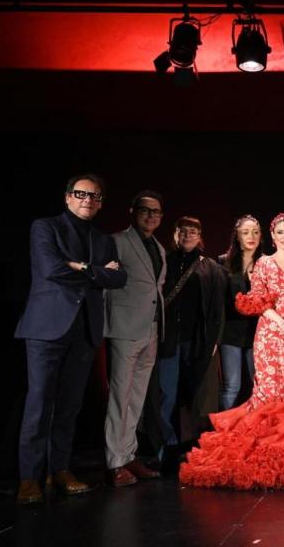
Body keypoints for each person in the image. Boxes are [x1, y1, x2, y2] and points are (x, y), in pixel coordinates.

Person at [179, 213, 284, 490]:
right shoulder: (263, 263)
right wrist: (278, 320)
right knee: (270, 392)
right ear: (273, 236)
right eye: (280, 232)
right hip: (270, 334)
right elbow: (258, 297)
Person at [14, 173, 126, 504]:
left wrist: (80, 267)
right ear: (67, 197)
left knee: (69, 406)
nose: (87, 200)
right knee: (39, 403)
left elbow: (118, 278)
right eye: (80, 194)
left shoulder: (104, 239)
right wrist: (96, 271)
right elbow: (51, 269)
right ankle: (29, 477)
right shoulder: (45, 227)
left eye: (94, 196)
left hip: (85, 331)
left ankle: (59, 470)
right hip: (46, 329)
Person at [103, 190, 166, 487]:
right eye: (145, 210)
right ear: (133, 211)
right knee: (120, 397)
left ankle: (128, 455)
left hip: (150, 331)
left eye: (156, 212)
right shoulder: (117, 241)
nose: (151, 216)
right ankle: (115, 461)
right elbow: (104, 284)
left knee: (136, 399)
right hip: (125, 329)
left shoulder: (159, 248)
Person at [151, 217, 225, 466]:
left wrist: (215, 340)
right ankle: (169, 447)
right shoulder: (165, 262)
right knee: (167, 395)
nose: (188, 235)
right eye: (183, 231)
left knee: (198, 395)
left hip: (199, 342)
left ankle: (197, 446)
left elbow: (217, 308)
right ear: (175, 234)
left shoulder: (210, 267)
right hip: (169, 340)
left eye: (193, 231)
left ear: (200, 235)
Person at [218, 215, 261, 411]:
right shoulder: (223, 262)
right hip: (231, 333)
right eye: (245, 232)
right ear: (237, 236)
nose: (251, 236)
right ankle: (226, 431)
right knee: (231, 385)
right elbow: (219, 301)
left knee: (258, 385)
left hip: (258, 333)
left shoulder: (265, 262)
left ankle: (255, 429)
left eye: (255, 232)